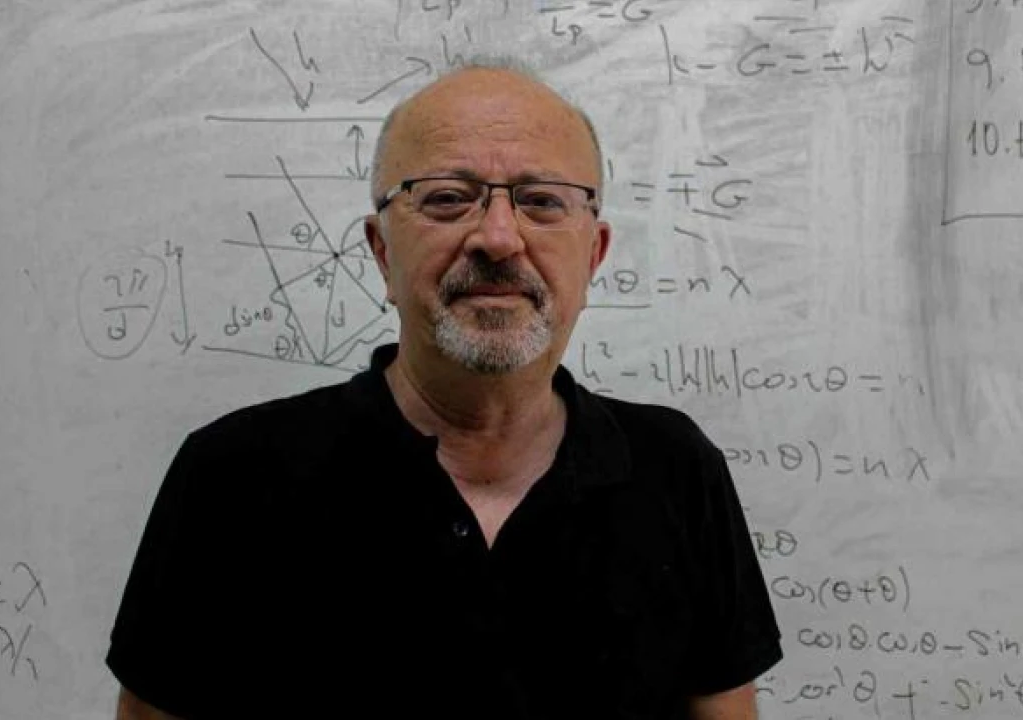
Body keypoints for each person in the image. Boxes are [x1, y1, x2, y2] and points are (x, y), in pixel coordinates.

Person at [107, 57, 782, 719]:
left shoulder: (676, 470)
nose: (498, 237)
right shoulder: (230, 476)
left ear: (594, 253)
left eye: (542, 201)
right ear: (381, 252)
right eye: (447, 199)